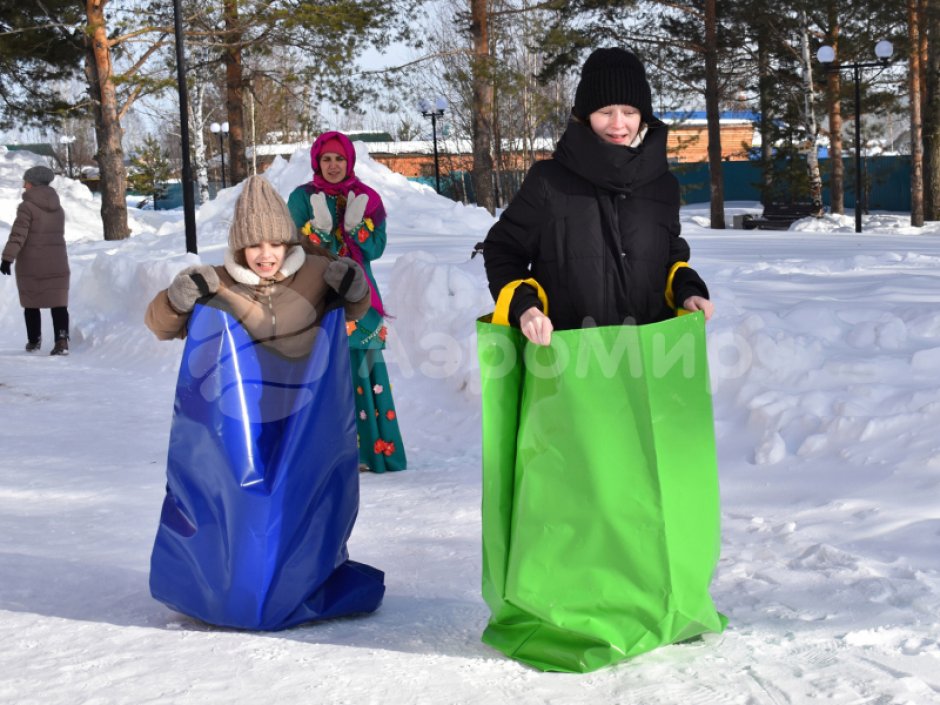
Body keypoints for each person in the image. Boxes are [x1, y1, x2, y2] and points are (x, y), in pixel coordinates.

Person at [144, 175, 385, 630]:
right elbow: (160, 324)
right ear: (239, 249)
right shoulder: (215, 282)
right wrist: (177, 301)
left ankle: (304, 580)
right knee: (242, 503)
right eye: (254, 245)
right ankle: (231, 583)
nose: (267, 254)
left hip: (306, 414)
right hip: (239, 416)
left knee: (304, 498)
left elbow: (356, 307)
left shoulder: (317, 270)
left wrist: (352, 288)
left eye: (276, 242)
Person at [483, 47, 713, 343]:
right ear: (585, 115)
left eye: (629, 112)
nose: (618, 124)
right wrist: (525, 307)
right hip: (568, 362)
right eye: (606, 112)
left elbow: (670, 260)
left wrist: (689, 291)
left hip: (648, 361)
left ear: (643, 116)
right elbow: (502, 250)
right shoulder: (548, 181)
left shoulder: (663, 185)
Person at [287, 131, 407, 474]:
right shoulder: (301, 198)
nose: (334, 165)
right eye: (327, 159)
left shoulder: (367, 198)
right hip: (316, 295)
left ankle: (372, 452)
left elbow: (376, 249)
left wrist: (358, 229)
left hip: (360, 295)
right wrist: (318, 233)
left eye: (340, 158)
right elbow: (290, 247)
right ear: (317, 161)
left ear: (350, 161)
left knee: (365, 369)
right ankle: (324, 455)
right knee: (319, 371)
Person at [1, 165, 71, 355]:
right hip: (57, 261)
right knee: (59, 303)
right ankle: (62, 340)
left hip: (32, 263)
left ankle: (34, 341)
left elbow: (18, 235)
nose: (24, 186)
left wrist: (7, 258)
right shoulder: (58, 207)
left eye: (26, 182)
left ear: (33, 184)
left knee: (31, 302)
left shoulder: (27, 207)